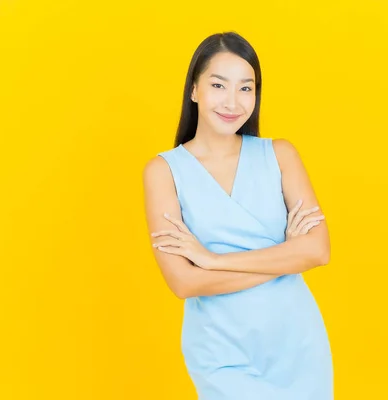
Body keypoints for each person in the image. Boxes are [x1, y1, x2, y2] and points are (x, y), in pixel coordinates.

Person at [142, 31, 333, 400]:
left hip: (297, 343)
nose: (233, 101)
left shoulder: (280, 154)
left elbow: (319, 251)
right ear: (194, 90)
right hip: (219, 350)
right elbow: (183, 282)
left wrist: (212, 262)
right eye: (218, 85)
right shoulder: (163, 171)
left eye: (246, 88)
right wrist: (287, 257)